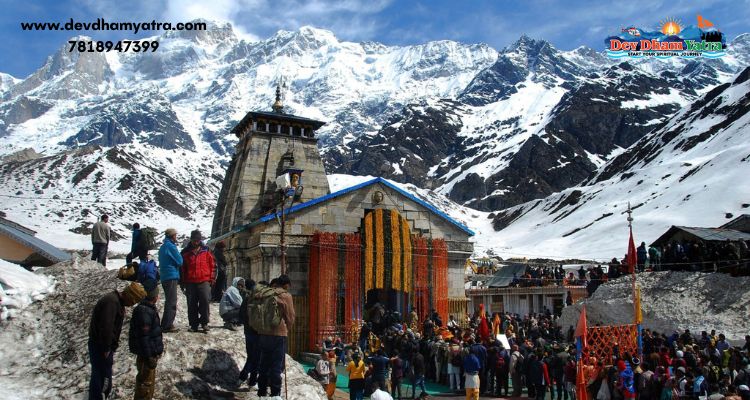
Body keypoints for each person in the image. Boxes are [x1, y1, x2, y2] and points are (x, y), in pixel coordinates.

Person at [88, 282, 146, 400]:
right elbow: (106, 327)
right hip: (100, 345)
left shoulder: (116, 302)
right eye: (133, 301)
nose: (132, 304)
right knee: (100, 375)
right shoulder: (111, 303)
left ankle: (102, 395)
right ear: (129, 296)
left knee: (104, 374)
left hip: (104, 345)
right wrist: (106, 347)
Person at [256, 275, 296, 400]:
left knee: (263, 363)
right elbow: (290, 316)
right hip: (279, 334)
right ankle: (275, 393)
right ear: (285, 285)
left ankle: (262, 390)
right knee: (276, 365)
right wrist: (287, 328)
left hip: (263, 333)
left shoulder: (265, 293)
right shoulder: (286, 296)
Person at [128, 286, 163, 400]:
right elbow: (144, 336)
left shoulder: (147, 309)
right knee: (145, 382)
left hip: (149, 352)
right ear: (154, 297)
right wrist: (149, 356)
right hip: (146, 354)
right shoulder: (145, 311)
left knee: (148, 381)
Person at [180, 230, 216, 333]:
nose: (196, 242)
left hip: (204, 280)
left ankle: (204, 323)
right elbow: (182, 269)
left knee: (205, 301)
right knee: (191, 303)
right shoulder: (185, 252)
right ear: (191, 240)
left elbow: (213, 265)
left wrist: (212, 278)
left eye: (198, 240)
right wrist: (182, 282)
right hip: (190, 281)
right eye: (194, 240)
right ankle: (193, 324)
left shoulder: (206, 250)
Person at [158, 228, 182, 333]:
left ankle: (166, 323)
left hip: (164, 275)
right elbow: (180, 261)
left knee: (169, 299)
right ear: (172, 236)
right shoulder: (171, 247)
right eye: (175, 235)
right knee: (171, 301)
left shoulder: (163, 247)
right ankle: (167, 325)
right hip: (171, 275)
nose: (176, 237)